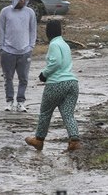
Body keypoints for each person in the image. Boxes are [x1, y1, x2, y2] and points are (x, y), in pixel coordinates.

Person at [25, 20, 81, 152]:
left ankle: (39, 140)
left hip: (56, 83)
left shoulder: (54, 44)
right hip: (72, 83)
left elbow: (56, 62)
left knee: (45, 112)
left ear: (48, 32)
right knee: (68, 114)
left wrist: (44, 74)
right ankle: (74, 140)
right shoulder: (65, 44)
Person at [0, 0, 37, 112]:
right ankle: (9, 101)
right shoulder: (5, 12)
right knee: (8, 77)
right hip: (8, 50)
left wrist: (31, 45)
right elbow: (1, 30)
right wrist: (1, 46)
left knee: (23, 78)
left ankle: (21, 101)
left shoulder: (30, 12)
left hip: (25, 50)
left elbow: (32, 30)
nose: (22, 1)